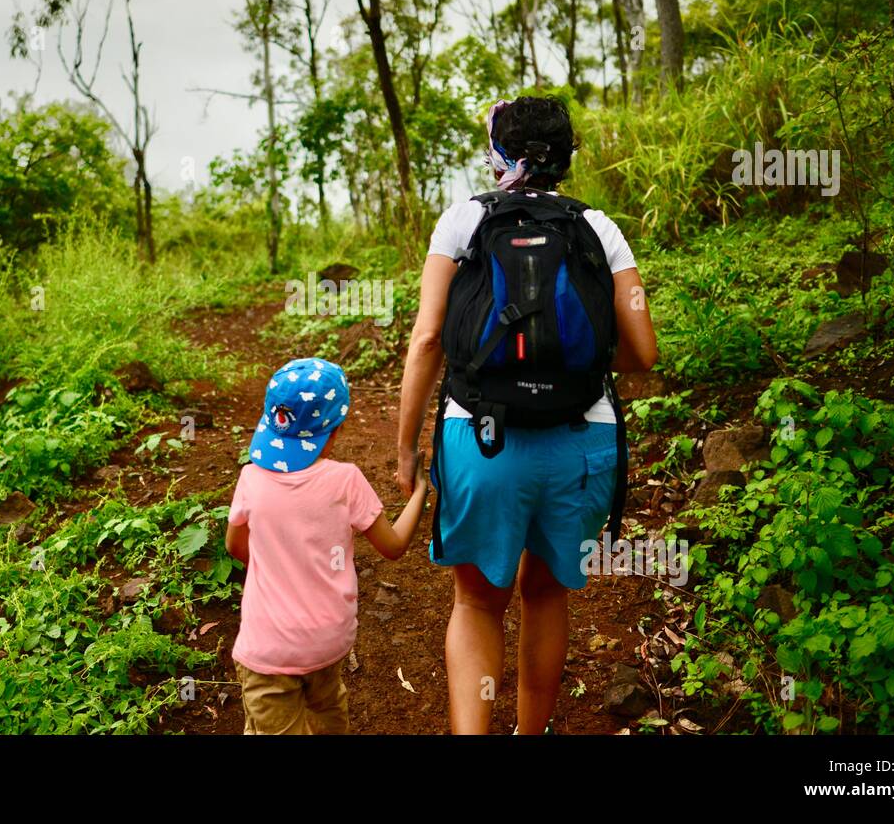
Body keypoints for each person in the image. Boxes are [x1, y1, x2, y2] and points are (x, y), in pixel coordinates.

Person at [396, 96, 659, 734]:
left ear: (499, 154)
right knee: (545, 594)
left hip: (482, 437)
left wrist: (406, 448)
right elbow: (642, 354)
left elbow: (428, 339)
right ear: (566, 156)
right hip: (582, 438)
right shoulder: (600, 227)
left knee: (478, 602)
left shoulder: (464, 221)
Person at [225, 356, 429, 734]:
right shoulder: (345, 481)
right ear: (336, 428)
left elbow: (237, 547)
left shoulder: (250, 479)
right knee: (328, 716)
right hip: (326, 643)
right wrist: (419, 491)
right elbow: (395, 546)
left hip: (267, 651)